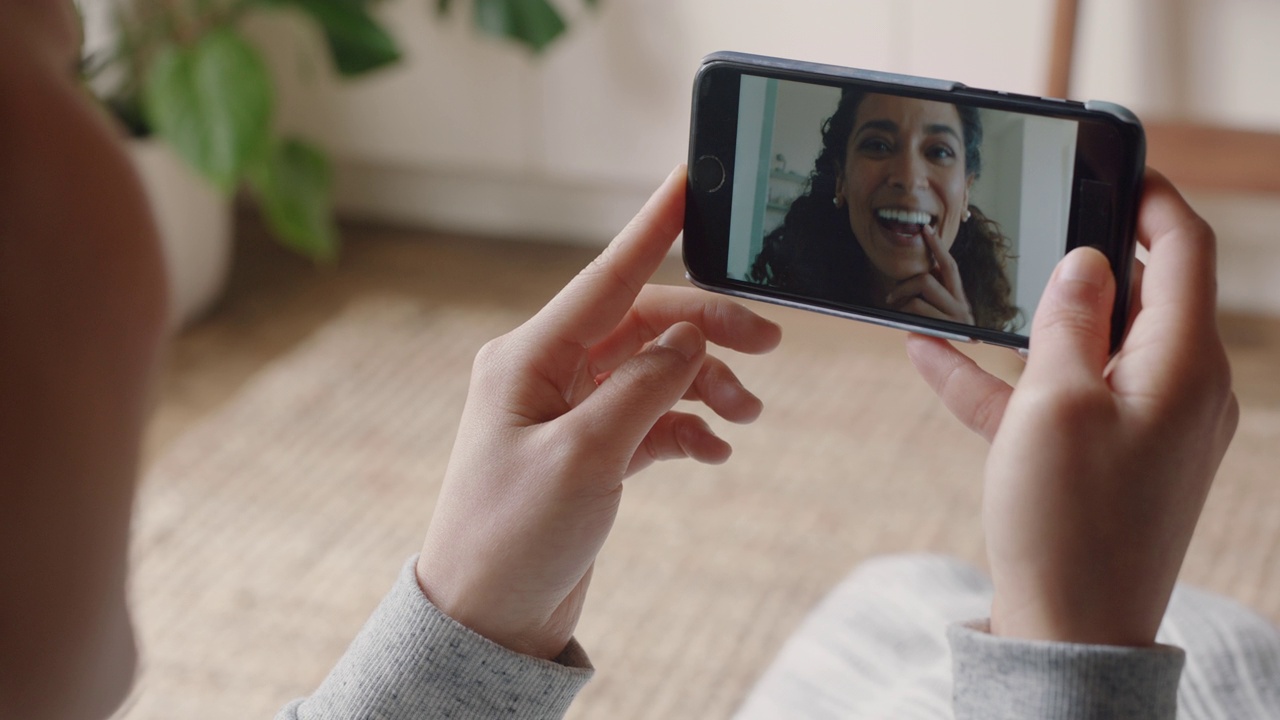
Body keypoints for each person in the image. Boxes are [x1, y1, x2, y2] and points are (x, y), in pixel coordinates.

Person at [1, 3, 1260, 719]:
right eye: (34, 54)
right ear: (835, 177)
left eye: (943, 155)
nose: (66, 15)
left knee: (893, 592)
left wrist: (460, 622)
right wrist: (1070, 651)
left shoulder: (989, 279)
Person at [750, 89, 1020, 331]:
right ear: (841, 178)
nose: (909, 177)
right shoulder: (778, 321)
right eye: (878, 145)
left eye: (938, 151)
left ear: (965, 193)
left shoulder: (1001, 356)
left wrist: (963, 357)